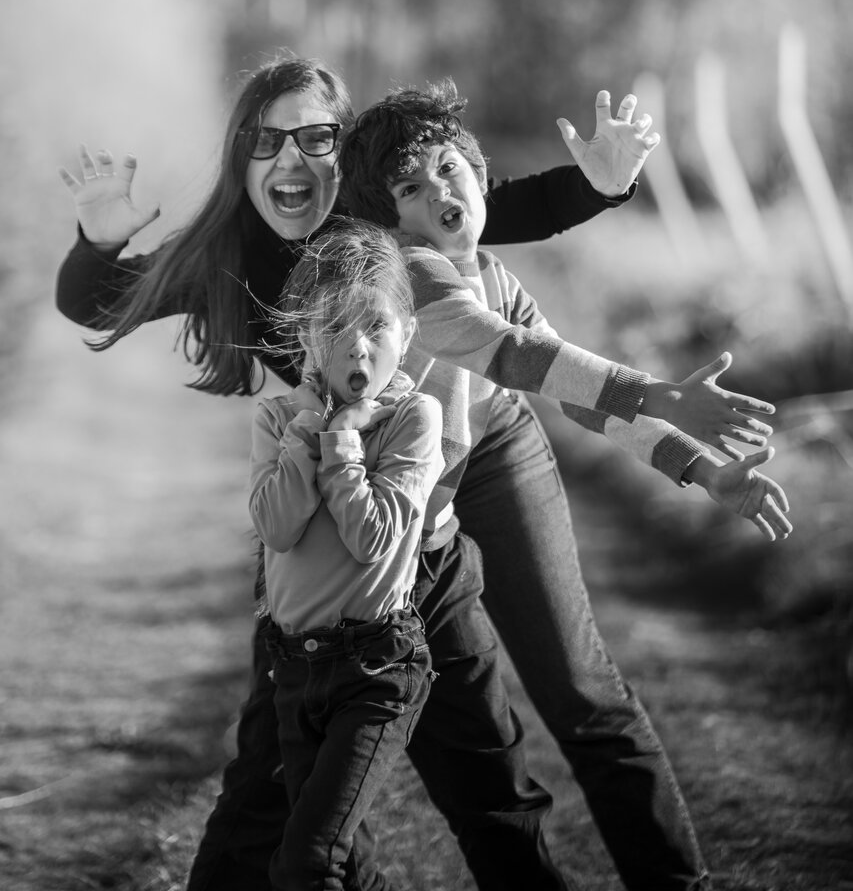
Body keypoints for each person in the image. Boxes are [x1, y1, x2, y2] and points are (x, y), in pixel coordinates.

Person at [56, 52, 646, 891]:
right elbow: (97, 298)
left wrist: (601, 185)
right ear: (241, 157)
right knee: (290, 732)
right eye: (265, 140)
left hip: (472, 452)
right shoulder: (226, 252)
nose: (290, 157)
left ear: (346, 151)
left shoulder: (382, 219)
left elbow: (504, 205)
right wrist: (99, 237)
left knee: (535, 712)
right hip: (334, 489)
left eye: (315, 137)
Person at [336, 79, 794, 891]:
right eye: (410, 187)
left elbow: (573, 393)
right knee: (469, 737)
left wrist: (697, 467)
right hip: (408, 515)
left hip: (495, 455)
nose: (439, 192)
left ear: (479, 175)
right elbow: (514, 355)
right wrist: (657, 391)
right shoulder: (404, 274)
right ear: (390, 217)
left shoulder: (491, 271)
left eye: (449, 169)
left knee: (585, 693)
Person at [249, 219, 444, 890]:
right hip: (294, 671)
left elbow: (371, 538)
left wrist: (345, 443)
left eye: (377, 326)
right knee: (346, 866)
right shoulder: (277, 420)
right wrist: (312, 429)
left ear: (406, 335)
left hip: (375, 669)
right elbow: (277, 528)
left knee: (307, 864)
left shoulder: (413, 418)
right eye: (334, 327)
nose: (358, 346)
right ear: (307, 336)